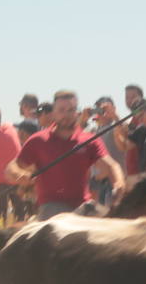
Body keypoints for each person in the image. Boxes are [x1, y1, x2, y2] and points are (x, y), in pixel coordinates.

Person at [8, 90, 124, 220]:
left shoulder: (89, 139)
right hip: (51, 208)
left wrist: (119, 183)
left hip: (83, 206)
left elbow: (111, 164)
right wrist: (18, 175)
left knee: (110, 224)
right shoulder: (38, 140)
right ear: (54, 113)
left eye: (70, 110)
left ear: (76, 112)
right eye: (61, 110)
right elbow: (12, 166)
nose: (66, 115)